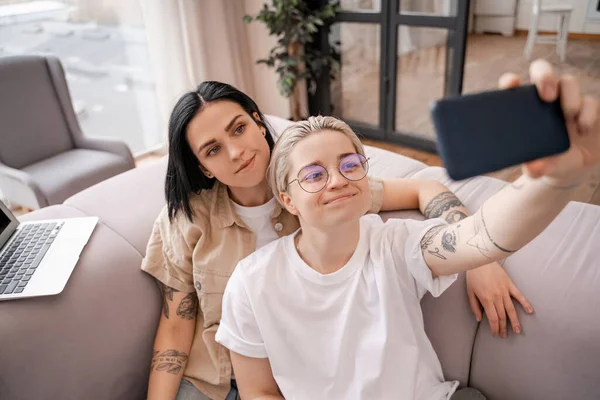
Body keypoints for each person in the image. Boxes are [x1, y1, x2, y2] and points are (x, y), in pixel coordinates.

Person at [214, 60, 600, 400]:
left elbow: (480, 236)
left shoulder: (395, 243)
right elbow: (258, 392)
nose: (337, 180)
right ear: (288, 200)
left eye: (350, 164)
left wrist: (554, 181)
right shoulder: (251, 283)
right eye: (314, 174)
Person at [142, 81, 529, 400]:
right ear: (202, 167)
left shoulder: (321, 187)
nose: (236, 151)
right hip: (217, 382)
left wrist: (481, 261)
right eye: (213, 149)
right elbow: (176, 325)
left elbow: (423, 189)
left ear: (259, 123)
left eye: (239, 128)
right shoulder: (186, 221)